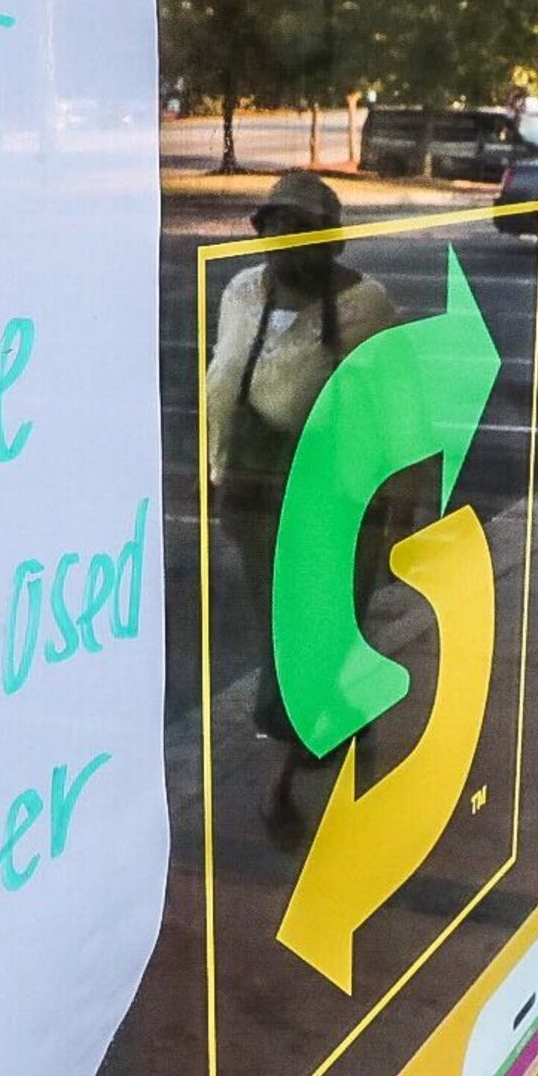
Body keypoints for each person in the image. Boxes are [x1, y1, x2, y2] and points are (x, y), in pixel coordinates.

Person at [202, 170, 400, 762]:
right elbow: (224, 376)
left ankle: (316, 733)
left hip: (331, 492)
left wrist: (394, 507)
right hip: (250, 486)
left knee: (323, 615)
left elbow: (391, 411)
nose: (287, 241)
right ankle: (305, 727)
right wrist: (216, 476)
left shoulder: (365, 305)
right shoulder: (241, 292)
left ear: (330, 239)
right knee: (276, 616)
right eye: (277, 227)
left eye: (303, 229)